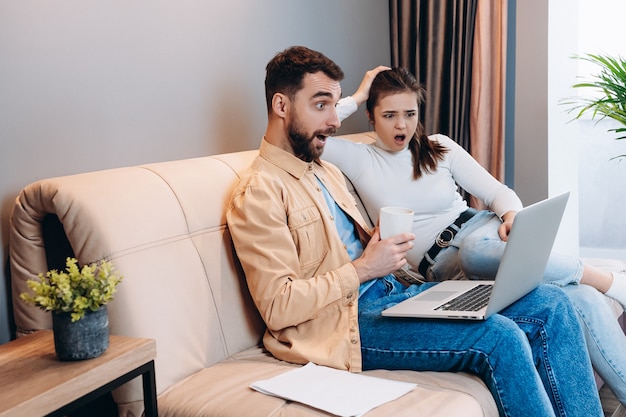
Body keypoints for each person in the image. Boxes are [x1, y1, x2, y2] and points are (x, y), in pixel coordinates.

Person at [226, 46, 603, 417]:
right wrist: (363, 268)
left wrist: (378, 251)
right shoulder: (260, 191)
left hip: (396, 290)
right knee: (499, 338)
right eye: (321, 105)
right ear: (280, 106)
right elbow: (277, 308)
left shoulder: (320, 165)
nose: (335, 121)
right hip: (346, 323)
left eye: (333, 106)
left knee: (552, 306)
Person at [323, 65, 626, 406]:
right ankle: (605, 281)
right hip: (446, 272)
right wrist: (358, 94)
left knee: (474, 250)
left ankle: (606, 280)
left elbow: (499, 192)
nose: (402, 125)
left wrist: (511, 217)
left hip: (482, 233)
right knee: (579, 299)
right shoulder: (358, 157)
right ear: (370, 116)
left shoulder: (439, 148)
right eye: (389, 114)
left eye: (410, 114)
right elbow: (310, 135)